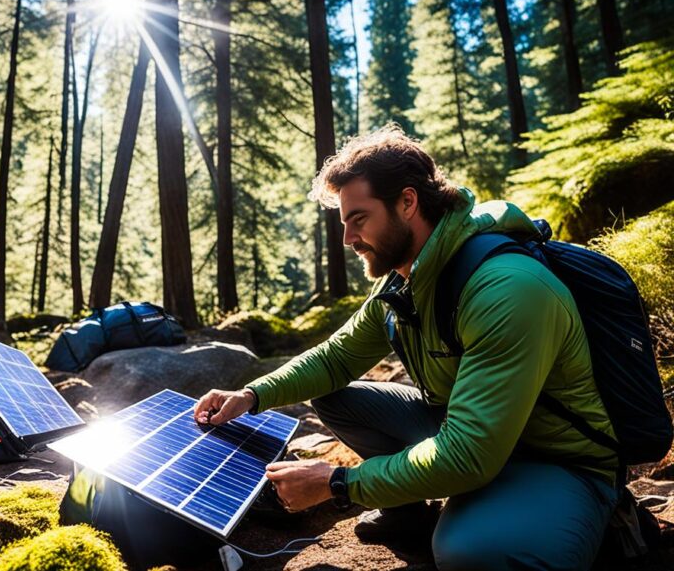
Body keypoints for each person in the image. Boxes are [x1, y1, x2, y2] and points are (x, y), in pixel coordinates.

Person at [194, 125, 619, 570]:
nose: (347, 239)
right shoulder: (407, 280)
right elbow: (337, 358)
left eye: (358, 219)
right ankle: (409, 514)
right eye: (343, 223)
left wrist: (340, 483)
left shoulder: (507, 290)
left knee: (468, 552)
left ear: (408, 202)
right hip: (473, 431)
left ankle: (578, 516)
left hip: (553, 459)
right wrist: (250, 395)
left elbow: (468, 454)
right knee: (337, 396)